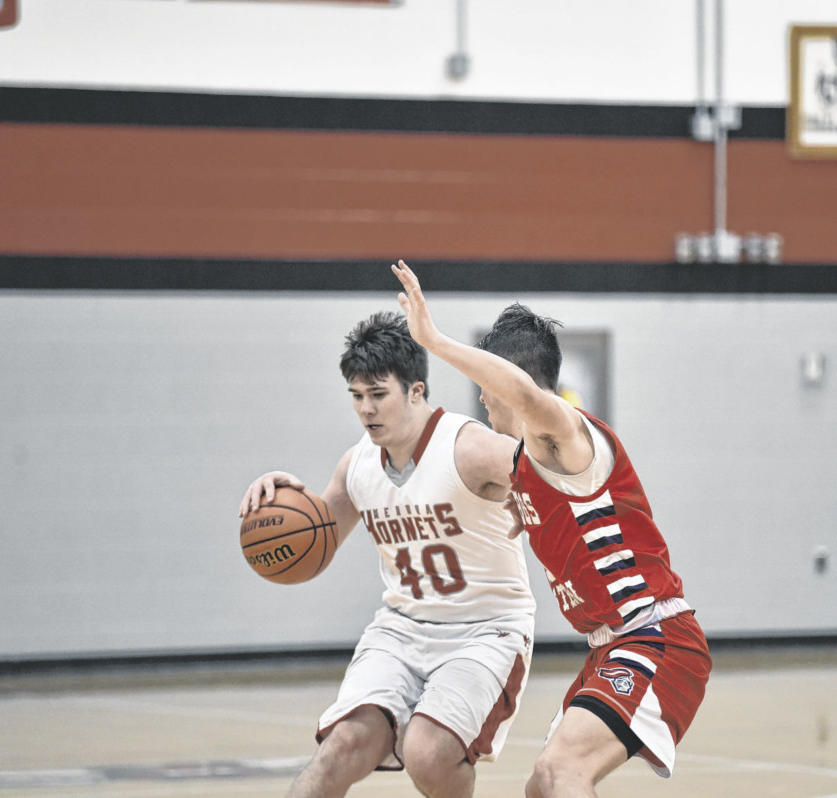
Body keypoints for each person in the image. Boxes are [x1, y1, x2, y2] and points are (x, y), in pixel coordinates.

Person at [392, 261, 712, 798]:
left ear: (506, 381)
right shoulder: (527, 463)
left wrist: (434, 340)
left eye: (485, 385)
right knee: (542, 784)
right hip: (609, 644)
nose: (482, 399)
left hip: (655, 637)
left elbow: (528, 399)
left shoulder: (564, 433)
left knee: (564, 774)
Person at [238, 310, 535, 798]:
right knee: (340, 747)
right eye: (357, 396)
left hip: (485, 630)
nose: (366, 410)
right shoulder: (357, 466)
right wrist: (275, 503)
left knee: (428, 751)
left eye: (378, 395)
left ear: (416, 390)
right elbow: (319, 538)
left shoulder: (468, 446)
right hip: (401, 629)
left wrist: (534, 500)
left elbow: (551, 474)